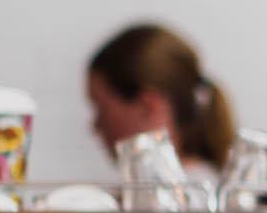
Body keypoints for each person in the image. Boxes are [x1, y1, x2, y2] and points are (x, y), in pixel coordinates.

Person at [87, 20, 239, 176]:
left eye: (101, 110)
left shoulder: (186, 196)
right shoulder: (206, 185)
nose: (95, 127)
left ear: (148, 106)